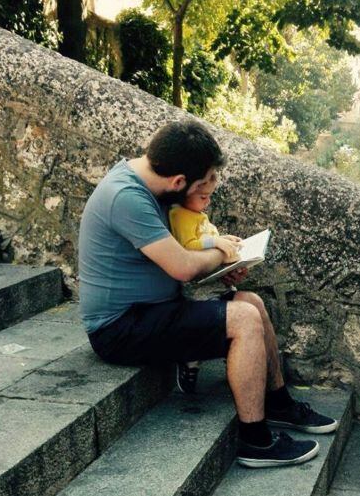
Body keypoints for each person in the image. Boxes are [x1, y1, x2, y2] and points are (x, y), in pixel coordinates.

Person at [79, 119, 338, 469]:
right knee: (243, 319)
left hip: (153, 311)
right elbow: (183, 267)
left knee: (252, 303)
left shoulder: (148, 184)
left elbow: (179, 258)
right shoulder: (126, 196)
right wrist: (225, 252)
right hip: (120, 328)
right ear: (178, 182)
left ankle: (278, 402)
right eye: (201, 187)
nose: (202, 195)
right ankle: (255, 441)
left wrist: (221, 267)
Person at [169, 182, 242, 393]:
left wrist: (223, 240)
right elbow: (189, 243)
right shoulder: (180, 214)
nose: (208, 202)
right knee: (211, 323)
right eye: (203, 197)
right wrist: (217, 244)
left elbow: (204, 237)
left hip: (213, 282)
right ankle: (190, 362)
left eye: (209, 196)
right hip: (198, 286)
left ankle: (234, 359)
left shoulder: (196, 213)